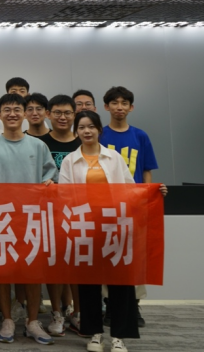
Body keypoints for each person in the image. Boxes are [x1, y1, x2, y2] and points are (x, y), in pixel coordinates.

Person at [59, 111, 167, 352]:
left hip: (116, 225)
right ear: (76, 132)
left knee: (121, 282)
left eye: (91, 126)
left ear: (99, 130)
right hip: (86, 227)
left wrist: (154, 192)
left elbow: (130, 189)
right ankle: (94, 334)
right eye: (82, 127)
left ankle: (119, 336)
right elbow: (64, 196)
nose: (87, 131)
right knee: (89, 284)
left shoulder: (113, 157)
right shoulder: (69, 161)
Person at [0, 94, 57, 346]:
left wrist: (50, 183)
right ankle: (7, 320)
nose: (12, 114)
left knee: (32, 272)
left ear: (24, 114)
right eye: (7, 110)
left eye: (17, 109)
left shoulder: (38, 146)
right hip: (1, 218)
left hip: (32, 217)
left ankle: (32, 321)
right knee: (3, 271)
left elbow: (51, 176)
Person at [99, 86, 159, 327]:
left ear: (131, 107)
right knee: (108, 254)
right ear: (106, 107)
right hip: (106, 206)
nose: (119, 107)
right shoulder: (100, 135)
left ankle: (134, 306)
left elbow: (146, 171)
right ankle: (110, 305)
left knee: (134, 257)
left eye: (124, 103)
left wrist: (146, 198)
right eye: (114, 103)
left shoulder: (140, 136)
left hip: (133, 206)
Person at [37, 94, 82, 334]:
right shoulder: (38, 143)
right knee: (53, 264)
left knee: (76, 265)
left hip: (79, 213)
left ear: (74, 115)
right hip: (48, 214)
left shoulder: (83, 141)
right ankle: (56, 312)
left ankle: (76, 312)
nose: (62, 117)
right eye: (57, 113)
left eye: (67, 113)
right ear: (48, 114)